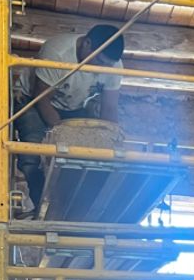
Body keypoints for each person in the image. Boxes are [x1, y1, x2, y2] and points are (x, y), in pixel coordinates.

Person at [13, 24, 125, 208]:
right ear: (87, 44)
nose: (101, 68)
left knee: (81, 156)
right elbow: (42, 99)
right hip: (33, 99)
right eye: (99, 61)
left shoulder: (113, 66)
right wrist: (63, 134)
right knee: (33, 153)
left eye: (107, 65)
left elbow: (110, 108)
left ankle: (69, 206)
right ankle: (44, 207)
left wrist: (113, 144)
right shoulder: (57, 53)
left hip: (73, 106)